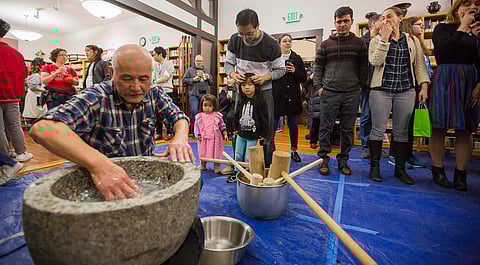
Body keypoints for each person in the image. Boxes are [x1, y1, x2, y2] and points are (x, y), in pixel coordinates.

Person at [30, 44, 193, 201]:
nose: (136, 87)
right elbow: (43, 128)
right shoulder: (96, 97)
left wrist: (180, 138)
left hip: (144, 179)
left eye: (144, 79)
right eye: (127, 79)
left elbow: (179, 117)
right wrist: (98, 164)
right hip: (103, 186)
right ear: (113, 73)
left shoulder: (154, 92)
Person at [368, 7, 430, 185]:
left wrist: (423, 87)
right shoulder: (376, 40)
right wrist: (385, 40)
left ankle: (400, 169)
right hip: (381, 90)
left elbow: (419, 66)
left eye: (389, 17)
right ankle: (374, 168)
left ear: (400, 19)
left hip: (406, 90)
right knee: (377, 130)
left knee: (401, 131)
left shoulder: (412, 40)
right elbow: (375, 61)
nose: (385, 21)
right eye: (383, 18)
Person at [429, 0, 480, 191]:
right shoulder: (443, 28)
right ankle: (438, 169)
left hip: (469, 82)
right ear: (457, 9)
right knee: (439, 126)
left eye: (476, 7)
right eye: (467, 5)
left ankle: (461, 173)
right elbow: (443, 52)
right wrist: (463, 27)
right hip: (446, 79)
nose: (472, 9)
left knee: (465, 129)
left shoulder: (478, 32)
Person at [225, 8, 286, 168]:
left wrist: (264, 77)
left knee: (265, 128)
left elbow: (281, 70)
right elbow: (229, 64)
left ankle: (265, 165)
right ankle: (237, 164)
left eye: (249, 33)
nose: (245, 38)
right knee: (239, 125)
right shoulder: (234, 40)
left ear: (258, 26)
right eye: (241, 33)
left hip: (263, 92)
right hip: (242, 90)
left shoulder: (271, 44)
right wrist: (232, 75)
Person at [314, 6, 368, 176]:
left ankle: (343, 160)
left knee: (347, 129)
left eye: (346, 21)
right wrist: (319, 88)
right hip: (329, 92)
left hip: (351, 93)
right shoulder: (325, 44)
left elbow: (364, 68)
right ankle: (323, 159)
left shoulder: (359, 44)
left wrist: (360, 87)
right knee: (325, 127)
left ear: (351, 21)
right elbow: (318, 68)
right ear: (335, 23)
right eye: (339, 22)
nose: (342, 24)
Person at [386, 17, 432, 169]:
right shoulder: (404, 44)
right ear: (409, 26)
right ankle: (396, 154)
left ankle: (408, 154)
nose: (422, 27)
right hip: (406, 88)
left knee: (410, 124)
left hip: (419, 88)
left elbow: (422, 68)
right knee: (402, 124)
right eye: (418, 24)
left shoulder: (417, 44)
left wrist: (424, 86)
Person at [0, 18, 34, 162]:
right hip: (12, 96)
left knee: (0, 129)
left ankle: (5, 157)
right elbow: (24, 75)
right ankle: (21, 153)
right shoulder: (17, 54)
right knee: (15, 126)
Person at [273, 34, 308, 162]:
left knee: (293, 125)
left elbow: (304, 78)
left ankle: (294, 150)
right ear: (280, 43)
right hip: (277, 97)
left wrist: (294, 71)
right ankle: (271, 150)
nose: (287, 43)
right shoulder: (275, 58)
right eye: (284, 41)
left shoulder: (297, 58)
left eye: (289, 41)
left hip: (293, 97)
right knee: (273, 125)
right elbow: (270, 76)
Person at [231, 73, 268, 182]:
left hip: (253, 136)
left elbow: (265, 118)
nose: (246, 87)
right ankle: (237, 173)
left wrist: (263, 134)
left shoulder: (260, 101)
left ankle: (247, 175)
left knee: (248, 157)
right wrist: (235, 128)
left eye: (249, 85)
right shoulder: (241, 99)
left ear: (255, 86)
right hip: (241, 134)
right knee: (238, 155)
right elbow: (236, 114)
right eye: (243, 85)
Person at [360, 14, 383, 159]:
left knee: (379, 118)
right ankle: (366, 146)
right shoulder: (362, 42)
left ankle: (376, 147)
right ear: (373, 24)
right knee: (366, 116)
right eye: (382, 20)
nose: (385, 23)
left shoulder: (384, 40)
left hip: (381, 85)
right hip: (367, 85)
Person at [194, 94, 228, 173]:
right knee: (203, 151)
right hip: (203, 139)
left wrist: (225, 133)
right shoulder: (199, 116)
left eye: (210, 105)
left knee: (216, 152)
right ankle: (203, 164)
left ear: (214, 106)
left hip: (215, 139)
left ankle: (217, 166)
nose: (207, 108)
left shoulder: (217, 115)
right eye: (205, 105)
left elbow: (222, 125)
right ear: (201, 105)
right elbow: (196, 127)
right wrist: (198, 135)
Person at [183, 55, 213, 134]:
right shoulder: (190, 70)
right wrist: (193, 79)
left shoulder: (206, 71)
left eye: (200, 61)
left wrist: (208, 78)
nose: (199, 63)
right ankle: (193, 130)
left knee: (204, 112)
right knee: (194, 111)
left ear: (202, 62)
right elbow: (184, 80)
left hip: (204, 95)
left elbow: (211, 83)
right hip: (194, 94)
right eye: (197, 61)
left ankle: (204, 130)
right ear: (194, 61)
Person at [153, 46, 176, 140]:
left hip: (167, 90)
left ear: (160, 54)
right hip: (157, 90)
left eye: (154, 55)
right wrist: (155, 82)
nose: (153, 56)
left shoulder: (169, 64)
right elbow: (153, 77)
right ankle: (158, 133)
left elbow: (167, 77)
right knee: (157, 113)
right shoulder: (155, 65)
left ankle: (170, 132)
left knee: (168, 112)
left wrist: (155, 82)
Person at [23, 57, 46, 126]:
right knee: (35, 114)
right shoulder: (36, 76)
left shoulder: (32, 75)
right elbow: (33, 87)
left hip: (34, 96)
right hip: (35, 96)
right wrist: (45, 90)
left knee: (34, 114)